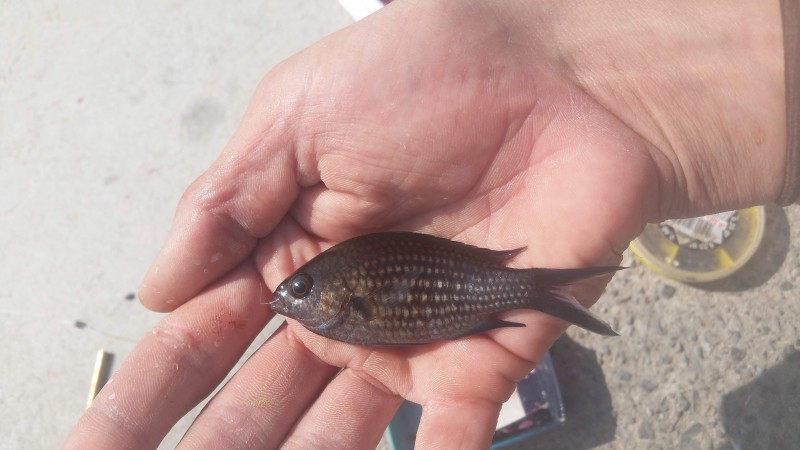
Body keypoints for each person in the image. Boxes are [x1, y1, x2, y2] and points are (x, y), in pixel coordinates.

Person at [65, 1, 797, 448]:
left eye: (302, 289)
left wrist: (590, 76)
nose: (289, 297)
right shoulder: (339, 294)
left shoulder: (345, 297)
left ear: (333, 295)